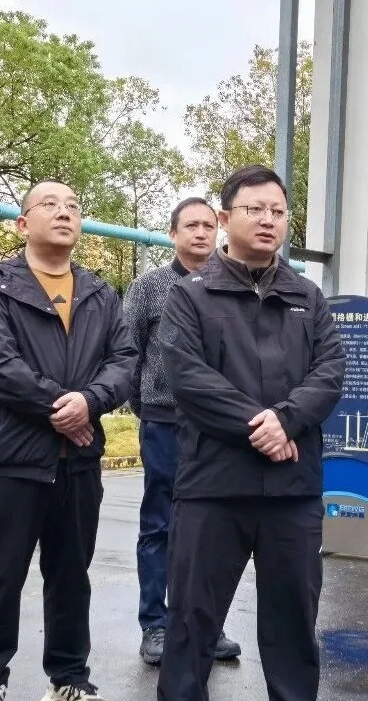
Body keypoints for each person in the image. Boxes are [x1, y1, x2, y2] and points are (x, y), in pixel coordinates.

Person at [156, 164, 346, 701]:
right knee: (192, 621)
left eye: (278, 212)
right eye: (255, 209)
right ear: (224, 218)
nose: (268, 220)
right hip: (213, 487)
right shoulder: (190, 295)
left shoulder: (307, 297)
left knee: (293, 623)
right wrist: (261, 427)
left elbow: (330, 370)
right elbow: (188, 378)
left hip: (292, 490)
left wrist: (286, 421)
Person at [0, 179, 136, 701]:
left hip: (78, 464)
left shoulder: (100, 293)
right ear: (22, 224)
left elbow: (124, 360)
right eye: (50, 204)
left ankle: (68, 680)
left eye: (73, 206)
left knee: (70, 576)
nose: (64, 212)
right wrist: (63, 408)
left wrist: (91, 401)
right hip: (14, 461)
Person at [122, 197, 242, 665]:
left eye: (208, 225)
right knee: (161, 524)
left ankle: (205, 623)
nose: (201, 233)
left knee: (213, 526)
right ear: (173, 234)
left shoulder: (231, 285)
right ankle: (156, 624)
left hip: (220, 427)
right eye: (190, 225)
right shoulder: (149, 287)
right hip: (166, 423)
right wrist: (148, 406)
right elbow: (128, 352)